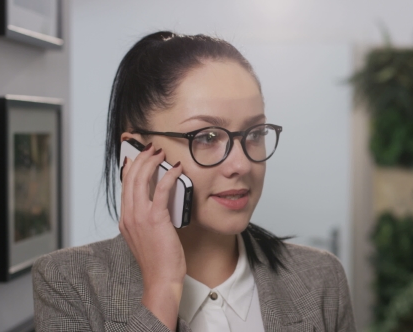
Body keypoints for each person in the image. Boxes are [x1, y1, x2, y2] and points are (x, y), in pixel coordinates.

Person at [32, 31, 356, 332]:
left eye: (255, 134)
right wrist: (162, 287)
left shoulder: (320, 278)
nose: (241, 164)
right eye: (207, 136)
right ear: (137, 154)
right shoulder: (68, 281)